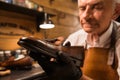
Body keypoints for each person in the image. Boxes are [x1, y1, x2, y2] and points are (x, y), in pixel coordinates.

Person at [29, 0, 120, 80]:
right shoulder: (75, 38)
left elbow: (75, 76)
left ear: (115, 11)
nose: (85, 16)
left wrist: (77, 77)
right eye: (82, 8)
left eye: (97, 7)